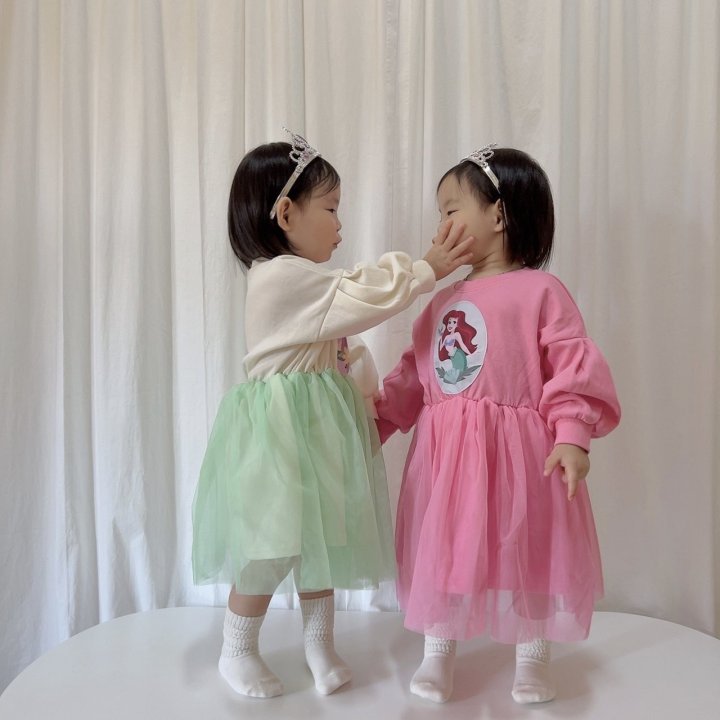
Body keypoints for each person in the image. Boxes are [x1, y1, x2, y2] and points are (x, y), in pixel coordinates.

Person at [191, 129, 474, 699]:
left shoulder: (308, 287)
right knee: (271, 545)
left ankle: (319, 644)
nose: (340, 225)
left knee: (320, 541)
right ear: (286, 213)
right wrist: (426, 268)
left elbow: (344, 348)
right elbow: (358, 294)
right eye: (331, 209)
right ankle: (237, 648)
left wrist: (362, 395)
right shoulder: (281, 277)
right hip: (279, 434)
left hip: (314, 427)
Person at [375, 145, 621, 705]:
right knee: (445, 549)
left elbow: (571, 366)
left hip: (520, 457)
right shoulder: (441, 301)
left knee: (529, 551)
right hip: (448, 459)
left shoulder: (541, 292)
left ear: (499, 214)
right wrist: (379, 418)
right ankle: (438, 650)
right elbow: (416, 372)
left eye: (450, 210)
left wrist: (573, 436)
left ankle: (532, 659)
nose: (439, 226)